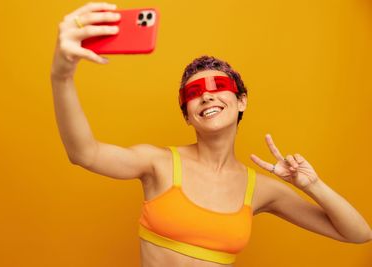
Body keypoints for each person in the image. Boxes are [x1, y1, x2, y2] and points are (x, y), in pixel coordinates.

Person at [51, 2, 372, 266]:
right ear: (187, 115)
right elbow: (84, 153)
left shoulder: (260, 189)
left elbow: (358, 233)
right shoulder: (157, 163)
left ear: (241, 100)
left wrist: (311, 185)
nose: (206, 96)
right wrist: (62, 75)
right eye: (193, 92)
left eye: (219, 87)